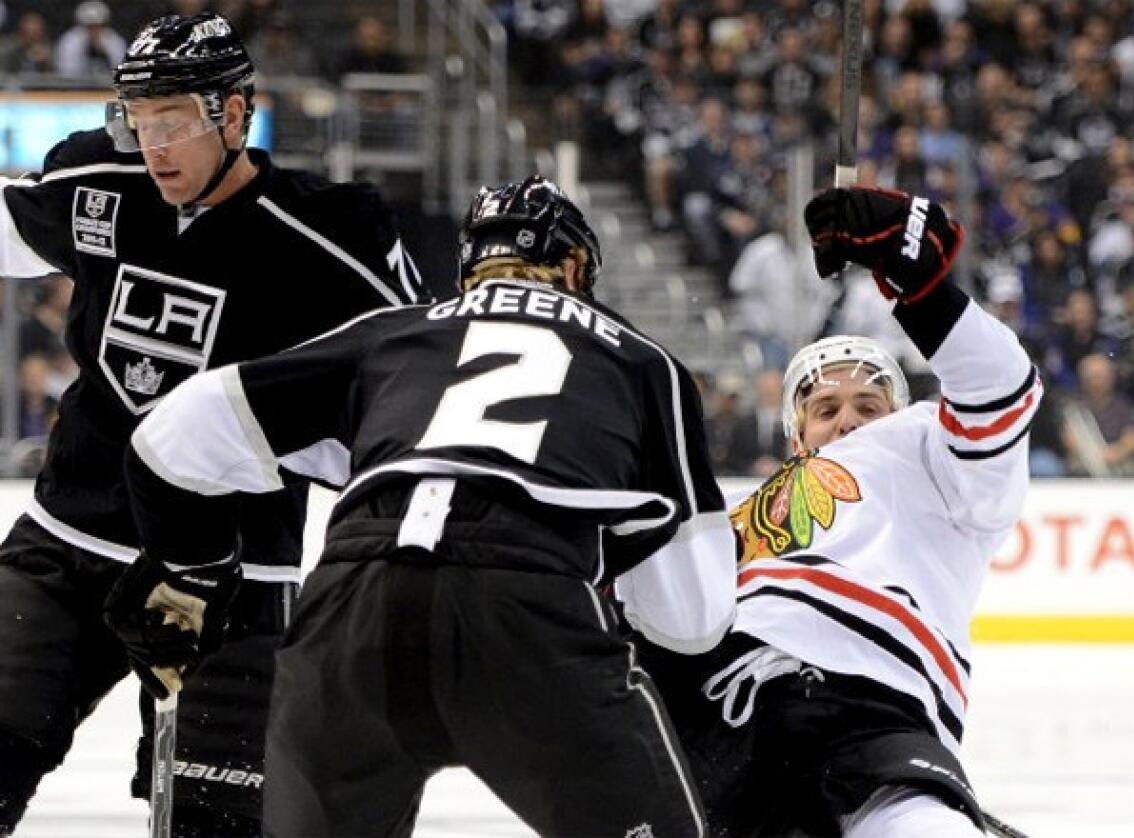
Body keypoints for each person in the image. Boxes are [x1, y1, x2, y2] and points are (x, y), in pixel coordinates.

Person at [104, 175, 736, 837]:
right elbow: (691, 618)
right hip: (525, 603)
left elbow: (172, 431)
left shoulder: (391, 332)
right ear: (577, 268)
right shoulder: (639, 359)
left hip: (352, 602)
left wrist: (191, 568)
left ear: (470, 267)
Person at [0, 12, 423, 837]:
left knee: (220, 821)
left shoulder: (333, 238)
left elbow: (415, 384)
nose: (153, 145)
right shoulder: (100, 182)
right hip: (67, 545)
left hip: (236, 579)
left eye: (176, 121)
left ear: (235, 114)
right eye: (140, 120)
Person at [640, 186, 1042, 837]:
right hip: (720, 722)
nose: (849, 420)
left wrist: (920, 280)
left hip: (869, 712)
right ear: (796, 438)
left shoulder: (932, 455)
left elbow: (1001, 389)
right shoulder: (738, 515)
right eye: (826, 411)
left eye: (867, 405)